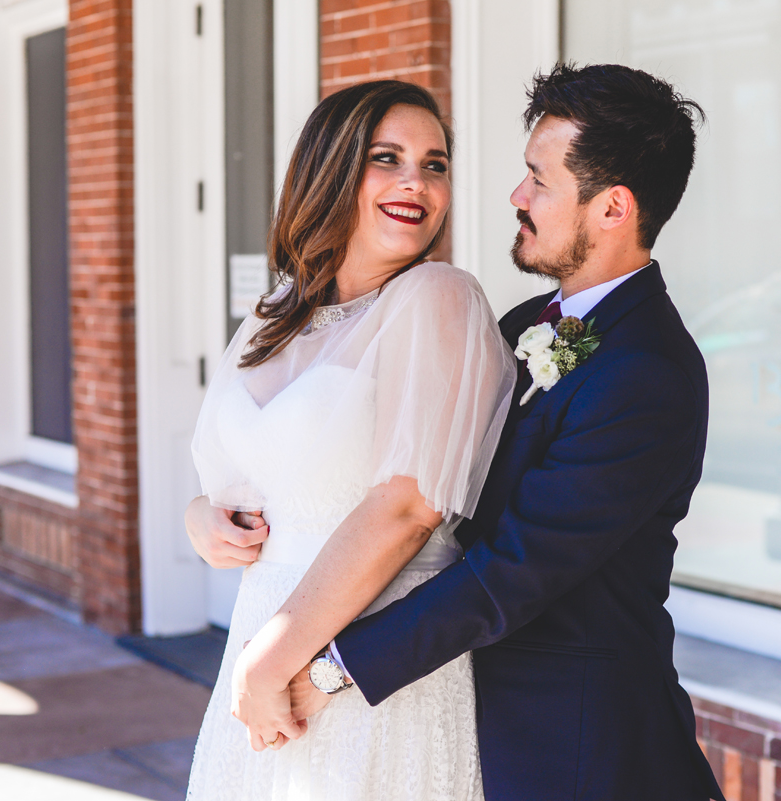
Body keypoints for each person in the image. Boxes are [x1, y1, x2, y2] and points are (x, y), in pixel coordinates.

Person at [289, 63, 728, 801]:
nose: (516, 197)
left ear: (613, 208)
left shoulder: (647, 373)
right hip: (468, 719)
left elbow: (511, 573)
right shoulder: (524, 326)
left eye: (539, 180)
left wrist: (334, 665)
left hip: (579, 750)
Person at [183, 80, 516, 800]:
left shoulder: (437, 298)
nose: (415, 182)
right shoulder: (278, 309)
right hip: (265, 632)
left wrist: (272, 663)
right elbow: (241, 470)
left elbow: (408, 509)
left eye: (434, 164)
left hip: (363, 662)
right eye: (386, 157)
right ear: (328, 168)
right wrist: (201, 518)